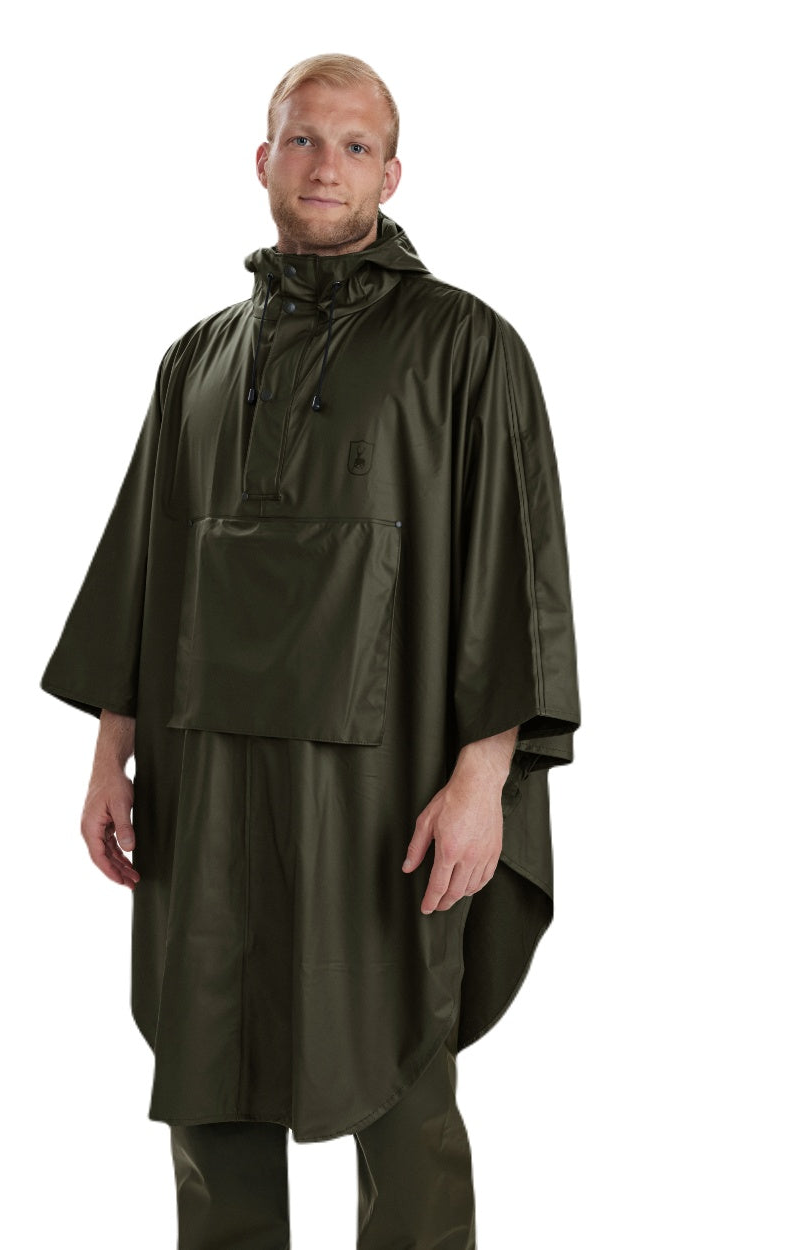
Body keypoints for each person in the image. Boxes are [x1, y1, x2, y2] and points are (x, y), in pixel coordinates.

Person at [41, 52, 580, 1249]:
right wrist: (108, 754)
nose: (324, 164)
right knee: (211, 1069)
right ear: (262, 160)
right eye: (301, 139)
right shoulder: (198, 356)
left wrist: (483, 777)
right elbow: (146, 560)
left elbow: (513, 567)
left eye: (352, 144)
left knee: (399, 1069)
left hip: (385, 785)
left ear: (392, 172)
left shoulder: (466, 346)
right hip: (208, 778)